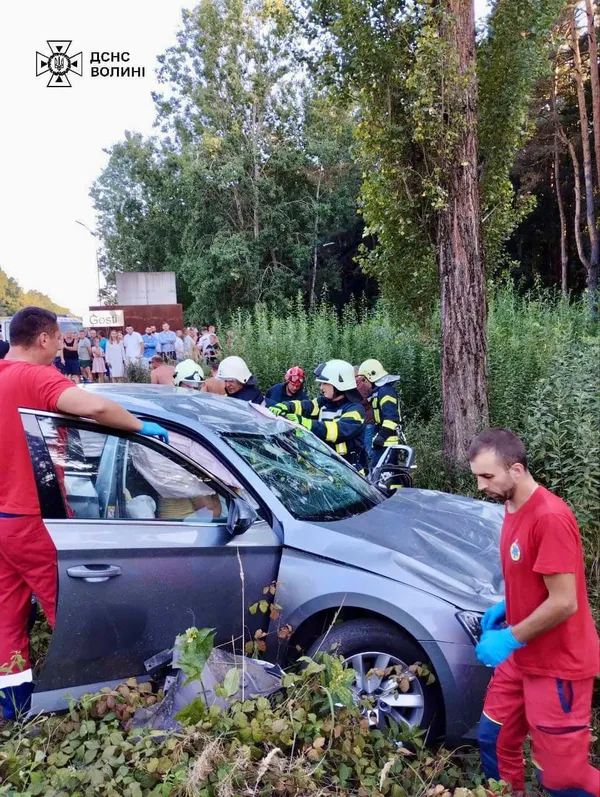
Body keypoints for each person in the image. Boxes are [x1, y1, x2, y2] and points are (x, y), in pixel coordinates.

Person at [0, 307, 168, 720]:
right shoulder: (37, 377)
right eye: (58, 339)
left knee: (7, 614)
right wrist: (137, 427)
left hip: (3, 520)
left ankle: (12, 706)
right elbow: (95, 408)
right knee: (74, 609)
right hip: (32, 517)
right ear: (43, 338)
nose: (60, 346)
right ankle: (93, 697)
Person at [469, 428, 599, 797]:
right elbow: (537, 579)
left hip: (558, 665)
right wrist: (509, 606)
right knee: (494, 740)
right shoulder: (512, 506)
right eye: (477, 476)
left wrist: (508, 637)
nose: (480, 486)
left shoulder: (550, 517)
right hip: (522, 657)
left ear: (517, 470)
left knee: (562, 778)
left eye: (488, 476)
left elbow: (564, 601)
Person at [270, 360, 367, 470]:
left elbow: (337, 431)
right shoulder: (324, 402)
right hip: (327, 467)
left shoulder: (356, 411)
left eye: (324, 383)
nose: (321, 387)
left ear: (339, 383)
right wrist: (285, 406)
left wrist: (306, 423)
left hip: (351, 473)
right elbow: (306, 406)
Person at [357, 359, 403, 469]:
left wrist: (381, 437)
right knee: (381, 473)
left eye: (364, 379)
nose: (364, 383)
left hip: (387, 442)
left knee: (384, 475)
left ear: (371, 376)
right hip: (383, 441)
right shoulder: (379, 391)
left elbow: (392, 417)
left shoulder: (385, 391)